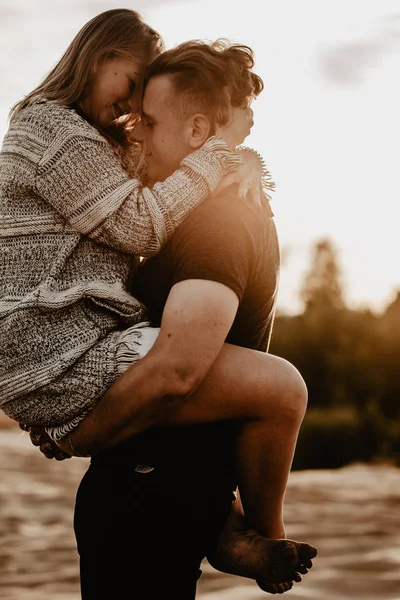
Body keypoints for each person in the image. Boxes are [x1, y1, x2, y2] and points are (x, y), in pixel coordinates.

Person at [28, 39, 317, 598]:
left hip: (149, 505)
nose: (132, 132)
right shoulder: (184, 213)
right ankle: (233, 530)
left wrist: (77, 432)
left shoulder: (218, 222)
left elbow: (175, 371)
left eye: (149, 121)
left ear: (195, 133)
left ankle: (250, 532)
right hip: (157, 498)